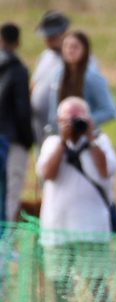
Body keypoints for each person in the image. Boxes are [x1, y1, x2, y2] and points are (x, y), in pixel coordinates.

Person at [36, 96, 116, 302]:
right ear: (59, 122)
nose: (74, 124)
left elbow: (106, 171)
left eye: (78, 119)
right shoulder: (51, 143)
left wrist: (89, 139)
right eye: (67, 120)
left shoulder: (101, 142)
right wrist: (63, 139)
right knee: (60, 286)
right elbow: (47, 173)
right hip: (57, 231)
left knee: (97, 286)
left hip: (91, 230)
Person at [45, 30, 116, 136]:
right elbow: (53, 111)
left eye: (75, 47)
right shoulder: (58, 75)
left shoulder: (92, 77)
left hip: (87, 138)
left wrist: (83, 122)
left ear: (85, 50)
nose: (70, 50)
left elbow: (110, 110)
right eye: (66, 46)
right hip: (60, 136)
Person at [1, 23, 32, 221]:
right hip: (12, 140)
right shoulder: (18, 70)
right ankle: (5, 244)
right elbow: (22, 107)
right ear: (18, 42)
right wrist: (28, 138)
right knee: (11, 191)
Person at [30, 10, 72, 146]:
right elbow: (34, 84)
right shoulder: (45, 56)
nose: (48, 40)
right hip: (39, 126)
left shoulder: (74, 59)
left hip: (63, 129)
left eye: (53, 36)